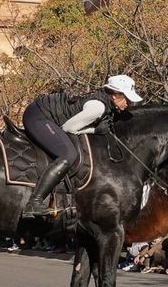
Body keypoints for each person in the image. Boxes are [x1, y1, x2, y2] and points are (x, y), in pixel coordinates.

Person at [20, 74, 143, 217]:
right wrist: (95, 130)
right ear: (115, 95)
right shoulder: (99, 107)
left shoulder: (106, 102)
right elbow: (68, 128)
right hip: (38, 116)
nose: (128, 103)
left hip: (44, 114)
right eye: (126, 99)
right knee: (67, 154)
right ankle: (34, 203)